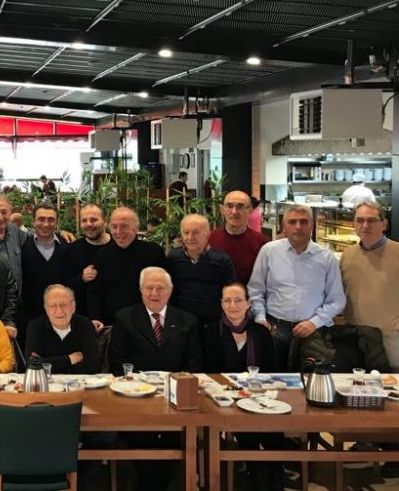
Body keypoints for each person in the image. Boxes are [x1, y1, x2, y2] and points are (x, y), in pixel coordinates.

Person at [108, 267, 201, 491]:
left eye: (160, 288)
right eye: (149, 288)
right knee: (141, 438)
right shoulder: (125, 317)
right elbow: (117, 362)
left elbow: (194, 364)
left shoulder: (187, 320)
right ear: (141, 291)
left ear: (170, 291)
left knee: (173, 438)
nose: (154, 293)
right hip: (135, 398)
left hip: (175, 399)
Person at [201, 282, 286, 491]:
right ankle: (256, 478)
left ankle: (277, 478)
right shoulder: (210, 331)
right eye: (228, 301)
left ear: (248, 303)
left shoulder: (261, 332)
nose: (233, 306)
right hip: (225, 398)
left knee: (274, 430)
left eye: (238, 300)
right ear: (221, 304)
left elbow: (272, 369)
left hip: (259, 395)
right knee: (248, 431)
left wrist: (258, 392)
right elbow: (208, 372)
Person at [248, 204, 345, 371]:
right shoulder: (269, 251)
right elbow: (255, 290)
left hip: (312, 331)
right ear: (284, 226)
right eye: (292, 222)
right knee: (272, 377)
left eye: (303, 222)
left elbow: (337, 300)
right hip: (274, 329)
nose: (298, 227)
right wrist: (260, 319)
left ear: (312, 226)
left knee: (308, 379)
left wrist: (314, 322)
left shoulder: (327, 258)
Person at [339, 200, 399, 371]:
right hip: (355, 337)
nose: (365, 225)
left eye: (371, 220)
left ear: (384, 224)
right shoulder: (347, 256)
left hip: (390, 339)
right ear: (354, 224)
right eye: (360, 220)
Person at [87, 207, 166, 329]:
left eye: (124, 226)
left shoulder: (154, 252)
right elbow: (94, 292)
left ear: (136, 228)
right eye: (114, 227)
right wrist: (95, 318)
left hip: (148, 324)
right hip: (111, 324)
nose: (118, 232)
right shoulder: (101, 255)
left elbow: (166, 288)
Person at [165, 214, 236, 326]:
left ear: (207, 234)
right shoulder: (173, 258)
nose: (190, 237)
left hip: (213, 322)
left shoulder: (222, 260)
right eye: (186, 233)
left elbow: (232, 293)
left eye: (196, 233)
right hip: (181, 321)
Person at [19, 203, 69, 336]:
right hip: (29, 318)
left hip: (61, 316)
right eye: (41, 219)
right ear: (33, 222)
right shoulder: (22, 247)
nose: (46, 224)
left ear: (57, 223)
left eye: (51, 220)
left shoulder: (67, 247)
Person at [24, 285, 99, 374]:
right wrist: (69, 359)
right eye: (53, 306)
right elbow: (32, 365)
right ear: (46, 308)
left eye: (64, 305)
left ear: (73, 307)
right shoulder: (35, 326)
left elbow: (92, 366)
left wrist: (48, 364)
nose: (59, 311)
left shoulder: (85, 324)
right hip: (46, 382)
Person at [208, 190, 270, 284]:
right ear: (222, 210)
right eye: (229, 206)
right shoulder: (209, 239)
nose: (234, 212)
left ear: (250, 211)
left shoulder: (263, 242)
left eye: (240, 207)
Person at [64, 203, 112, 317]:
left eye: (94, 220)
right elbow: (65, 285)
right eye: (84, 220)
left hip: (115, 317)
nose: (89, 224)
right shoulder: (72, 250)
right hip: (83, 319)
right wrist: (82, 278)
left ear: (105, 221)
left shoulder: (117, 245)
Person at [0, 193, 27, 302]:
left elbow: (35, 236)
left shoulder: (14, 231)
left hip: (16, 303)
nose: (0, 217)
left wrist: (59, 233)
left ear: (10, 213)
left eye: (4, 212)